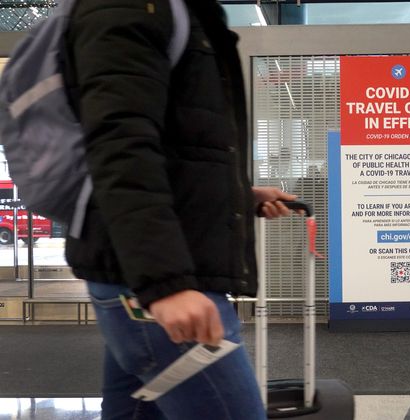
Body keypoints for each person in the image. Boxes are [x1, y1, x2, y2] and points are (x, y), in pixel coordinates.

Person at [62, 0, 294, 418]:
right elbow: (120, 146)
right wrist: (165, 283)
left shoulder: (181, 11)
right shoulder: (130, 5)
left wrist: (238, 195)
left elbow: (177, 148)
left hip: (150, 275)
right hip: (157, 278)